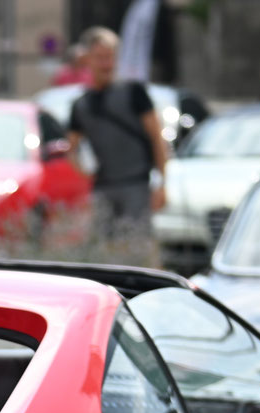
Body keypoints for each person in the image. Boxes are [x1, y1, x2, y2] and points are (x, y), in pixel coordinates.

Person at [66, 27, 169, 266]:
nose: (106, 63)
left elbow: (157, 138)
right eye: (100, 57)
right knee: (103, 253)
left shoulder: (134, 92)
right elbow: (70, 147)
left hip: (136, 184)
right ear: (87, 59)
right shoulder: (81, 104)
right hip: (104, 186)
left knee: (140, 251)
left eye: (110, 56)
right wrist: (83, 170)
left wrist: (163, 184)